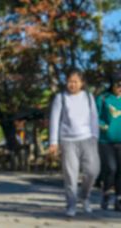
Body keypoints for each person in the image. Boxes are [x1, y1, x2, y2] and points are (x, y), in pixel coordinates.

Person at [49, 71, 100, 217]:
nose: (72, 84)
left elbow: (94, 118)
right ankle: (71, 205)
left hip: (88, 139)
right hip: (68, 141)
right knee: (70, 175)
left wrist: (95, 136)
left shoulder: (89, 97)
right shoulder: (61, 98)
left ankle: (84, 196)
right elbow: (54, 119)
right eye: (70, 81)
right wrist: (53, 142)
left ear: (82, 83)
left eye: (75, 81)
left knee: (92, 171)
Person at [97, 70, 121, 211]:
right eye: (118, 84)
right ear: (112, 84)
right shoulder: (103, 98)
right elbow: (95, 117)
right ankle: (106, 192)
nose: (120, 87)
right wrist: (103, 126)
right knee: (111, 168)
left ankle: (119, 199)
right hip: (106, 141)